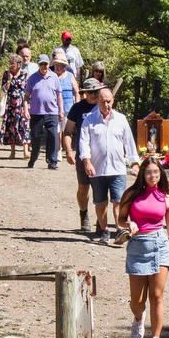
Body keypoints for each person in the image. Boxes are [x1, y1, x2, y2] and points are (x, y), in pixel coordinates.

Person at [117, 157, 169, 338]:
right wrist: (128, 224)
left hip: (159, 245)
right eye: (149, 172)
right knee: (137, 301)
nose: (152, 176)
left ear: (161, 174)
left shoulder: (167, 199)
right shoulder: (131, 195)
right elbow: (121, 219)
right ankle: (139, 317)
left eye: (156, 172)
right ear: (142, 174)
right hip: (137, 246)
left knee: (157, 295)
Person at [78, 87, 140, 244]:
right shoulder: (89, 120)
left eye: (109, 101)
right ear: (98, 101)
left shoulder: (121, 119)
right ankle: (104, 231)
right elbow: (83, 143)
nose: (106, 104)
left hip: (117, 167)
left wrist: (134, 162)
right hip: (97, 169)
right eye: (103, 101)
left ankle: (120, 230)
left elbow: (129, 142)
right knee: (100, 202)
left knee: (118, 201)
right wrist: (87, 162)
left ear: (113, 101)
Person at [64, 78, 104, 233]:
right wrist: (69, 150)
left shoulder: (105, 106)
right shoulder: (77, 108)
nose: (94, 95)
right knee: (83, 187)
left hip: (101, 154)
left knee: (101, 188)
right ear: (84, 93)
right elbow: (68, 131)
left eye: (96, 91)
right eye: (90, 92)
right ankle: (84, 214)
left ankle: (102, 221)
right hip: (83, 154)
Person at [23, 53, 64, 169]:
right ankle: (34, 157)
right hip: (36, 112)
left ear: (49, 64)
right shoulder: (32, 78)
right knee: (35, 137)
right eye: (41, 64)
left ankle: (52, 161)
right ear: (38, 65)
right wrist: (26, 109)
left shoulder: (54, 77)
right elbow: (26, 96)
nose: (44, 67)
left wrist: (61, 111)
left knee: (52, 136)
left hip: (52, 112)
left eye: (46, 64)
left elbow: (59, 95)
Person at [0, 53, 30, 159]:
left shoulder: (25, 74)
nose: (10, 65)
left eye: (13, 63)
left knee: (24, 126)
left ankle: (25, 150)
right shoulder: (6, 74)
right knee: (11, 127)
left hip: (22, 104)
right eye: (10, 63)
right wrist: (9, 79)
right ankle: (12, 151)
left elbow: (29, 90)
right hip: (11, 105)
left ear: (19, 64)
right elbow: (4, 89)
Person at [53, 49, 79, 154]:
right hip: (54, 106)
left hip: (68, 107)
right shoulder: (52, 75)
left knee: (67, 130)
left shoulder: (70, 75)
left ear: (64, 65)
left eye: (60, 65)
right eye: (56, 64)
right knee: (57, 129)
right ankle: (58, 150)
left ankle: (67, 149)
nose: (58, 67)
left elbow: (76, 91)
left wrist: (77, 105)